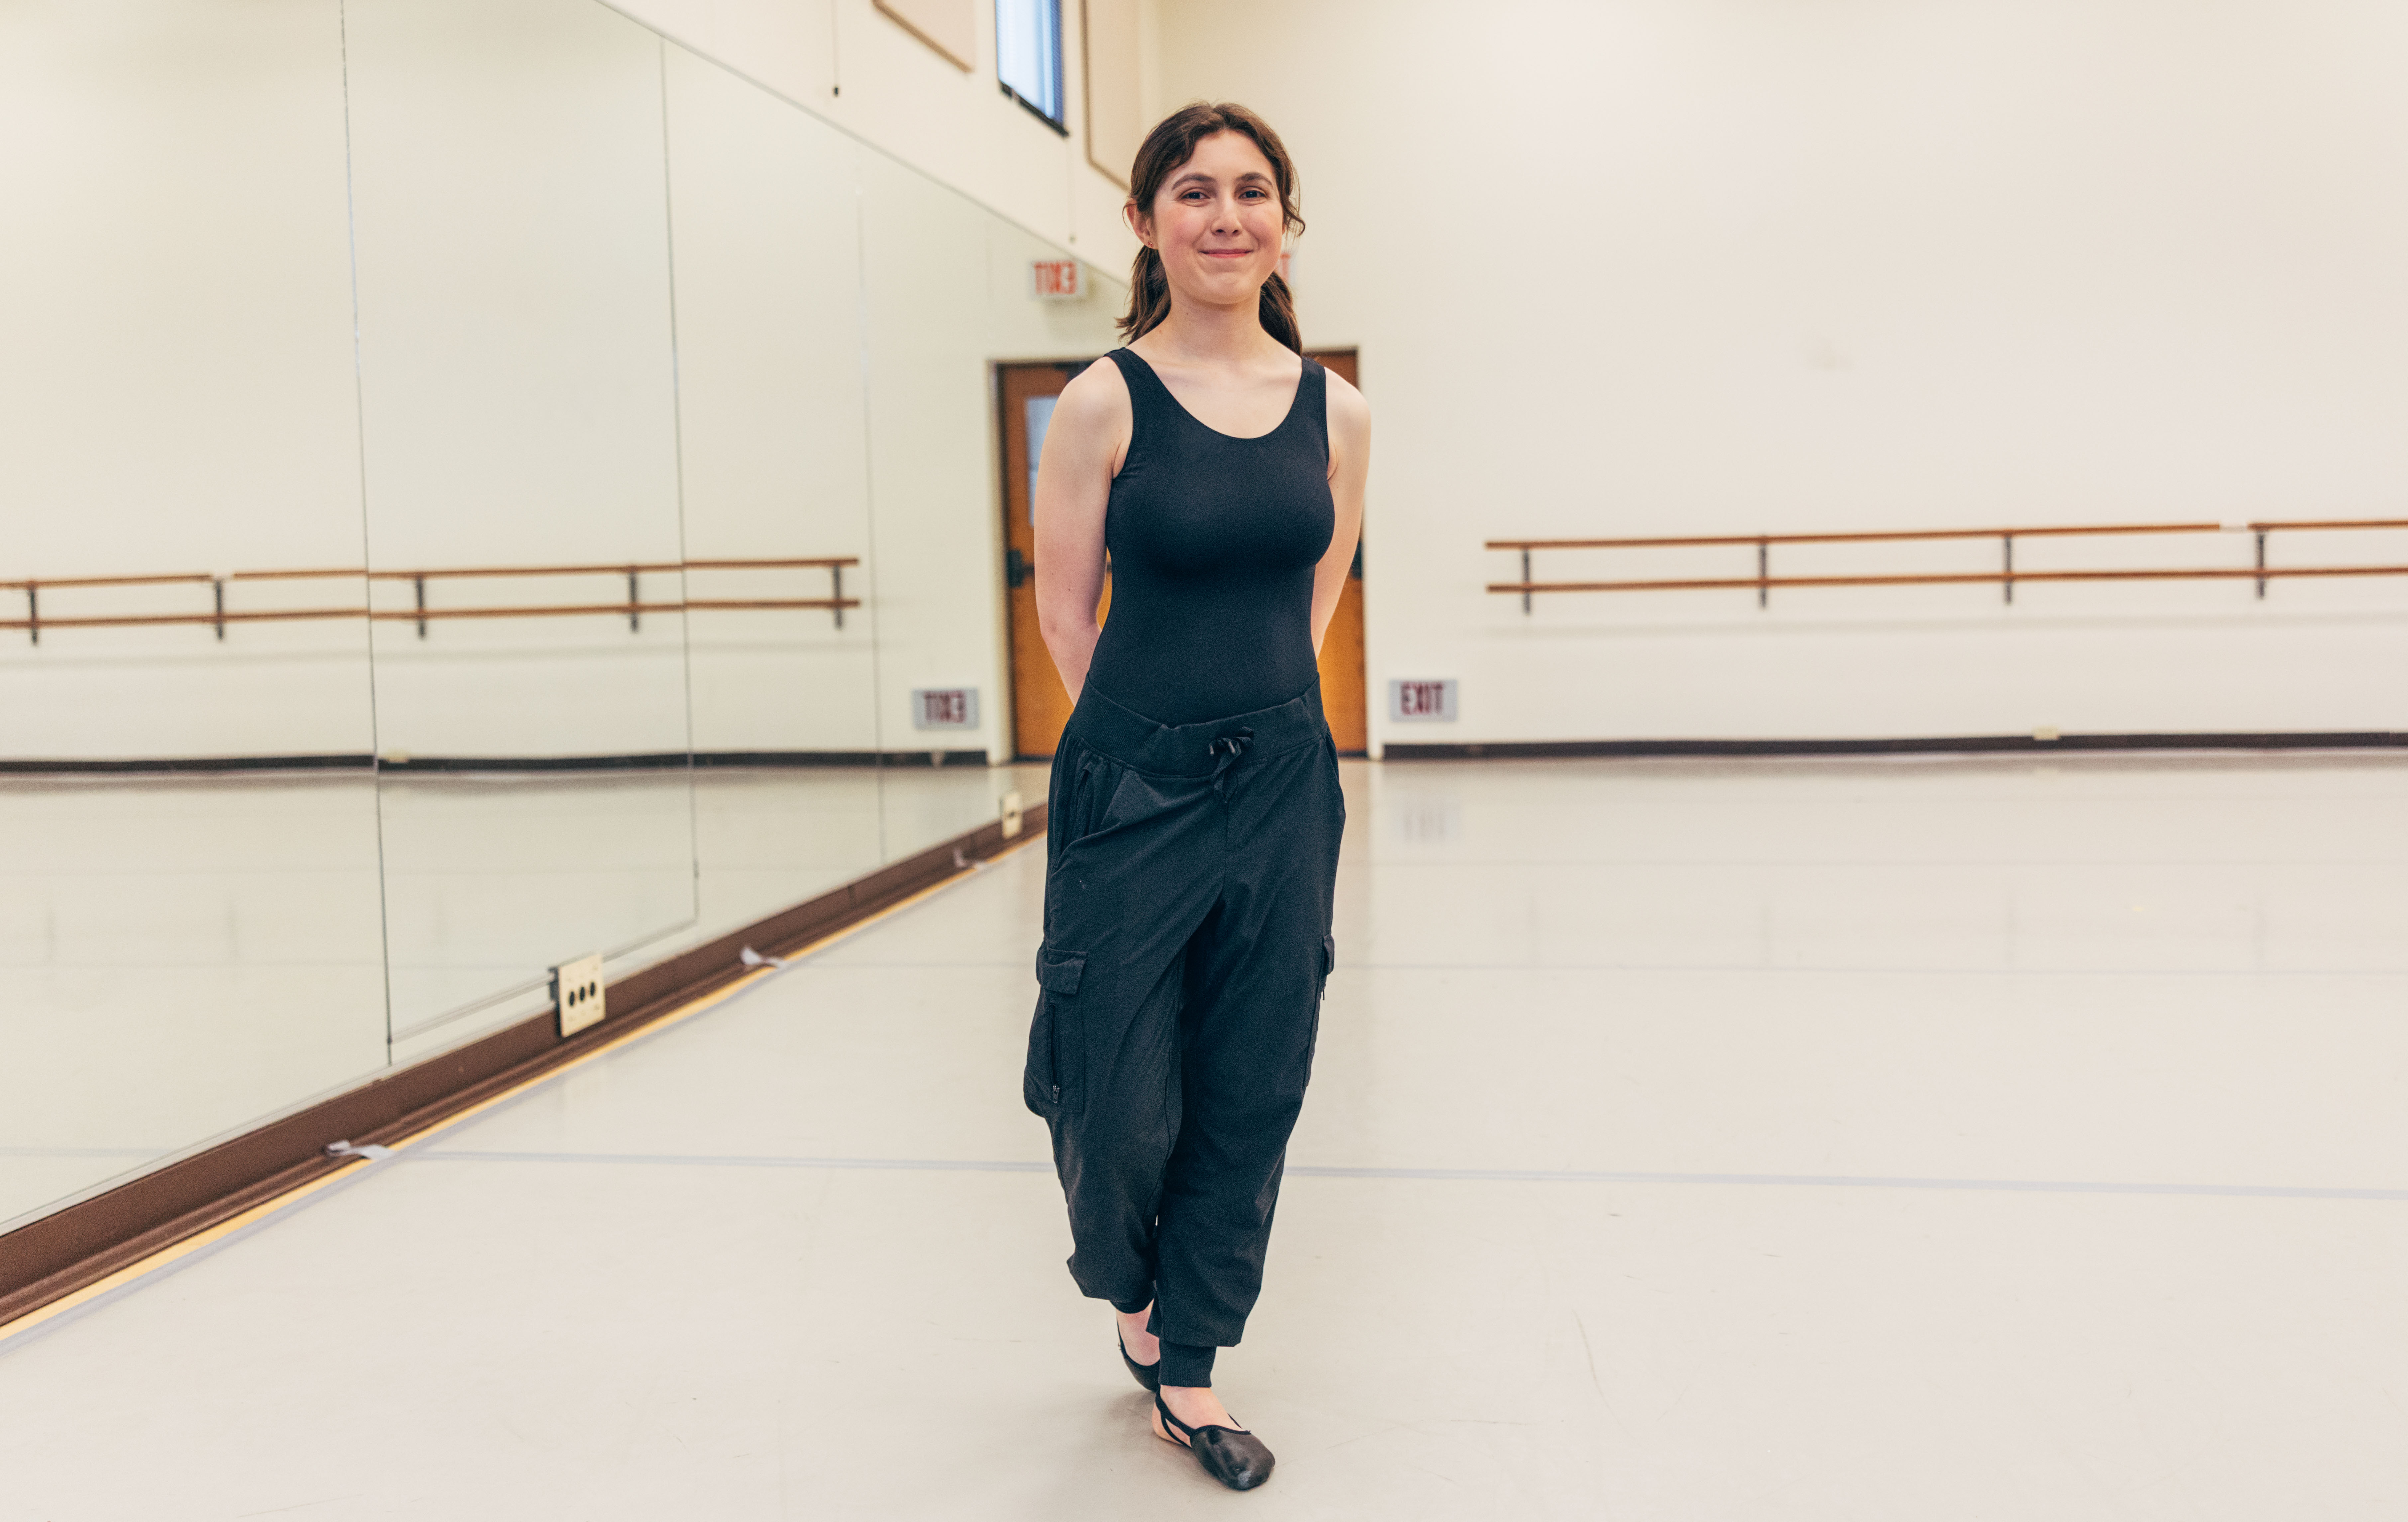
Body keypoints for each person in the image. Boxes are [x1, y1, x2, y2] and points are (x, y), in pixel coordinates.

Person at [1023, 101, 1370, 1492]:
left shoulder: (1337, 410)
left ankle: (1193, 1358)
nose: (1225, 214)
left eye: (1252, 191)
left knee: (1254, 1074)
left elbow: (1320, 598)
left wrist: (1262, 739)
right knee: (1114, 1091)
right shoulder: (1107, 398)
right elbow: (1062, 615)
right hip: (1133, 780)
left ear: (1286, 222)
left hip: (1285, 781)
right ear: (1146, 222)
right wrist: (1155, 746)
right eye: (1193, 190)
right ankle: (1128, 1283)